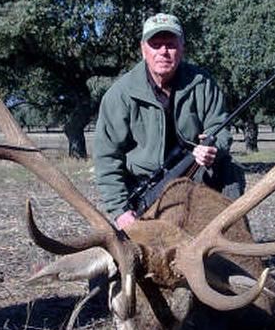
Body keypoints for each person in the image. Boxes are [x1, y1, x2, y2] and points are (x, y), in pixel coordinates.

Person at [93, 13, 245, 230]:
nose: (163, 51)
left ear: (182, 47)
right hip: (144, 185)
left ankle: (233, 234)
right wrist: (120, 211)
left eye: (171, 44)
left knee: (229, 170)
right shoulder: (120, 94)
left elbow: (219, 129)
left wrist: (213, 149)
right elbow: (107, 158)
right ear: (143, 50)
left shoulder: (203, 84)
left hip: (195, 173)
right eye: (155, 45)